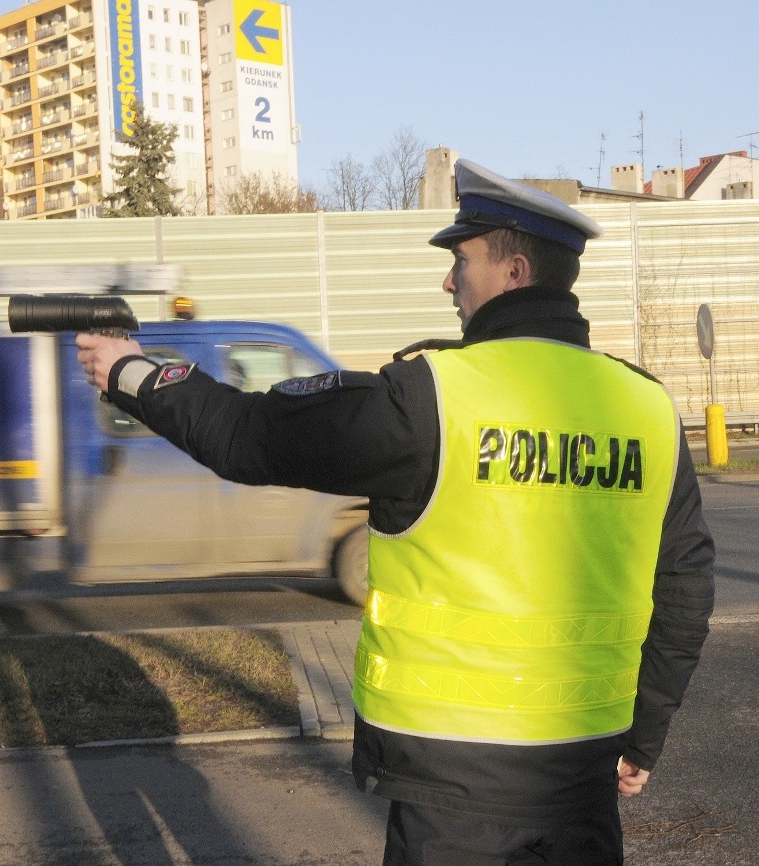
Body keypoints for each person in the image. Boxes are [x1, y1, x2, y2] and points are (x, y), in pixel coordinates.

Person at [76, 159, 715, 865]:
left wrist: (133, 374)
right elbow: (685, 587)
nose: (449, 281)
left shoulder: (433, 398)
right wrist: (644, 733)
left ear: (514, 271)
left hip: (452, 797)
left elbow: (251, 439)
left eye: (461, 260)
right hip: (584, 779)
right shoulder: (645, 408)